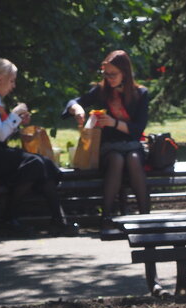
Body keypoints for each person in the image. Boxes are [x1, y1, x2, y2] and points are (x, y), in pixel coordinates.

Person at [0, 58, 78, 237]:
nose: (13, 86)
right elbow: (0, 134)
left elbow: (1, 132)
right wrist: (14, 116)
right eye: (12, 80)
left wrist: (17, 121)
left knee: (43, 162)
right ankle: (8, 218)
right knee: (34, 164)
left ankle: (59, 220)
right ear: (0, 79)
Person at [66, 50, 150, 229]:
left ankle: (145, 216)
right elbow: (73, 102)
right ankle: (106, 217)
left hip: (132, 144)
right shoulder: (101, 90)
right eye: (106, 74)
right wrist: (77, 109)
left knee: (134, 159)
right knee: (117, 159)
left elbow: (137, 130)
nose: (109, 78)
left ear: (125, 73)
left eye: (113, 74)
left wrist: (113, 122)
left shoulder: (140, 94)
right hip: (109, 147)